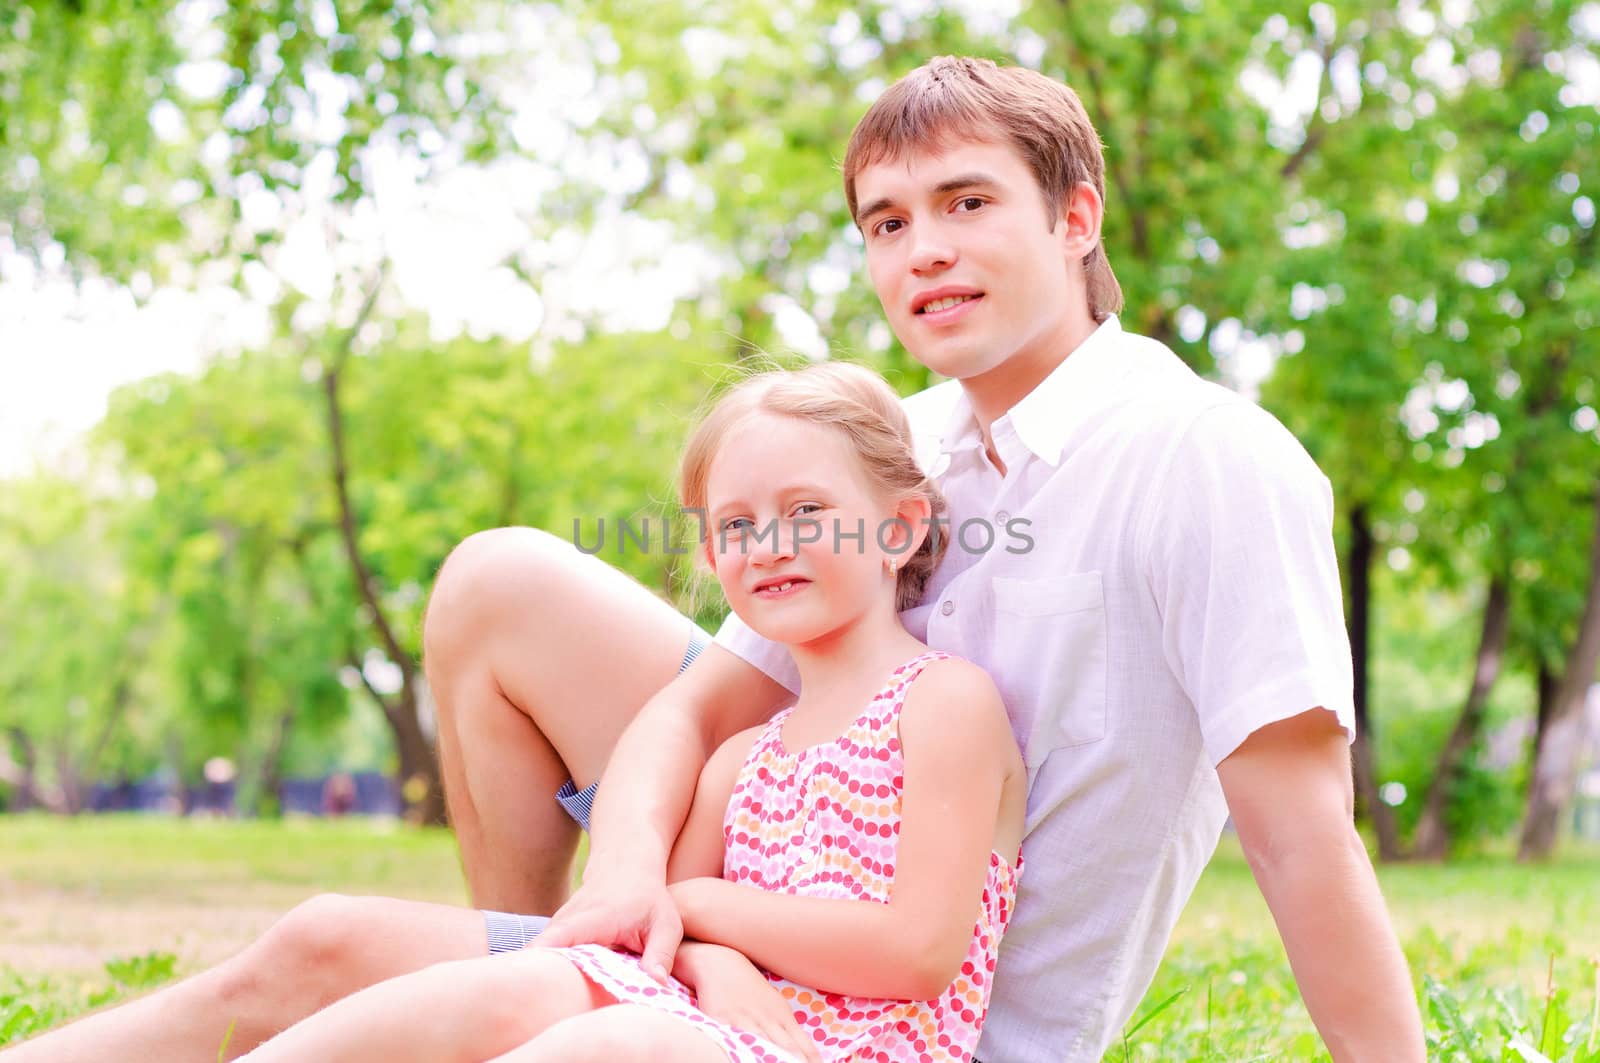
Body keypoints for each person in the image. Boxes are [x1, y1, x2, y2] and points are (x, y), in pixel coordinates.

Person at [0, 55, 1424, 1062]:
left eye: (969, 203)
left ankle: (584, 994)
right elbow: (705, 706)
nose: (922, 250)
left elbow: (1304, 834)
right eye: (887, 221)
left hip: (912, 1005)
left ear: (1075, 217)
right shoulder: (901, 436)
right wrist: (631, 890)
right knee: (375, 826)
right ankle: (564, 959)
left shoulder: (1203, 457)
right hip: (740, 920)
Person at [229, 363, 1026, 1063]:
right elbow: (658, 932)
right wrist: (713, 958)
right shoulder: (740, 760)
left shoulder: (942, 702)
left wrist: (703, 908)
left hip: (840, 1045)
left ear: (900, 526)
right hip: (708, 1015)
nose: (769, 543)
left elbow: (919, 949)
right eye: (738, 525)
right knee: (501, 991)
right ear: (713, 559)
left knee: (616, 1042)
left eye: (807, 511)